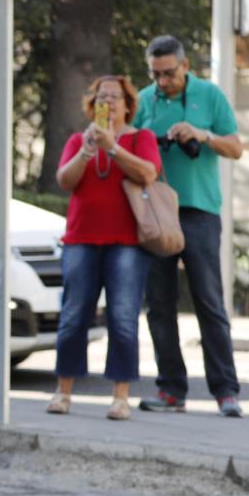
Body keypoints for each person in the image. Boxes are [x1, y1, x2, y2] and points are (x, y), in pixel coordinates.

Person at [131, 35, 244, 418]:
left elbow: (236, 146)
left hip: (198, 212)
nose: (162, 81)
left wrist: (201, 135)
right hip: (156, 213)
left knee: (209, 302)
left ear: (185, 65)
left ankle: (226, 391)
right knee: (159, 305)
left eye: (169, 73)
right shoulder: (144, 100)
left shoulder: (210, 96)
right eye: (156, 74)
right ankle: (171, 390)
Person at [49, 75, 162, 420]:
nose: (109, 102)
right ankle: (63, 392)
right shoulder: (77, 139)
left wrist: (113, 146)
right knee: (72, 316)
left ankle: (120, 397)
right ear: (92, 104)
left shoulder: (140, 138)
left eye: (115, 97)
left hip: (127, 243)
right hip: (81, 239)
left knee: (123, 318)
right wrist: (87, 150)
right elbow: (65, 180)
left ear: (128, 104)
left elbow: (148, 173)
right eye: (102, 97)